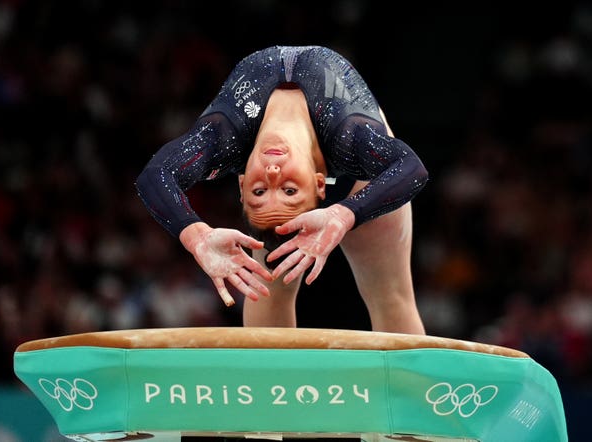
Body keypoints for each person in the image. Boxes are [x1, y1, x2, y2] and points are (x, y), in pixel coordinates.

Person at [136, 46, 428, 333]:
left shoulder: (223, 139)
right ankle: (274, 382)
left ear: (243, 183)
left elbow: (155, 175)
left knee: (392, 300)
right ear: (317, 183)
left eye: (259, 191)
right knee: (271, 289)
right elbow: (412, 169)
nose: (272, 173)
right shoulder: (351, 139)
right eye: (289, 190)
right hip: (363, 184)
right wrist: (344, 214)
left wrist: (196, 235)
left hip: (360, 190)